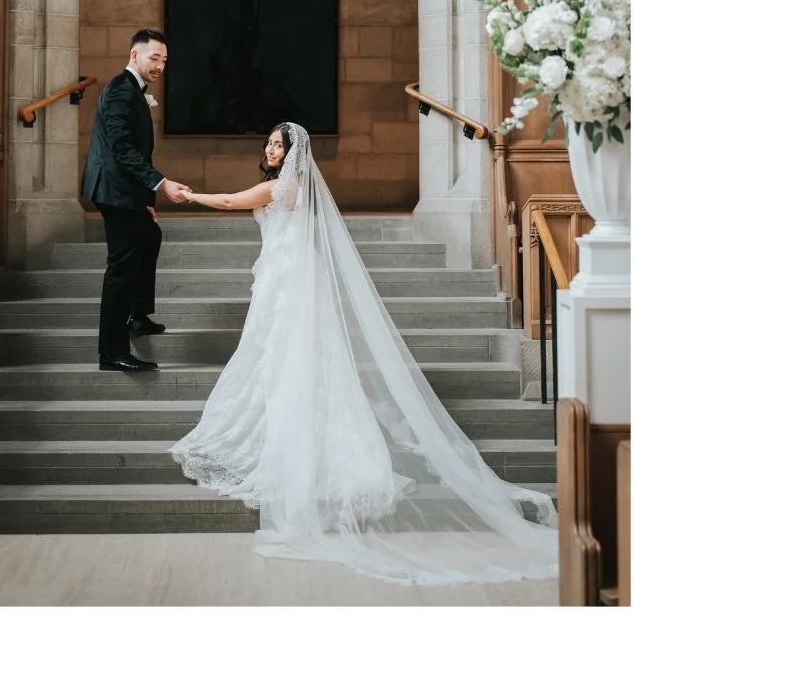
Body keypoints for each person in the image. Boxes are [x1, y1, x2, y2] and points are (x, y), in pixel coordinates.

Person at [170, 122, 559, 587]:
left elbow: (234, 202)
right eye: (270, 143)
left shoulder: (280, 187)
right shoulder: (299, 187)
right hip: (289, 277)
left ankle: (294, 439)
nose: (271, 149)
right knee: (296, 360)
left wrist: (190, 197)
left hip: (285, 284)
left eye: (279, 144)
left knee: (280, 356)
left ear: (292, 154)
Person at [79, 29, 190, 373]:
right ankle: (112, 352)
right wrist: (160, 183)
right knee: (121, 268)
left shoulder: (134, 91)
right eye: (154, 58)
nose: (159, 66)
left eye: (164, 60)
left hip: (126, 190)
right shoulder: (118, 91)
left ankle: (137, 315)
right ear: (134, 56)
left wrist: (144, 198)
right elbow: (121, 148)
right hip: (112, 190)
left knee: (150, 236)